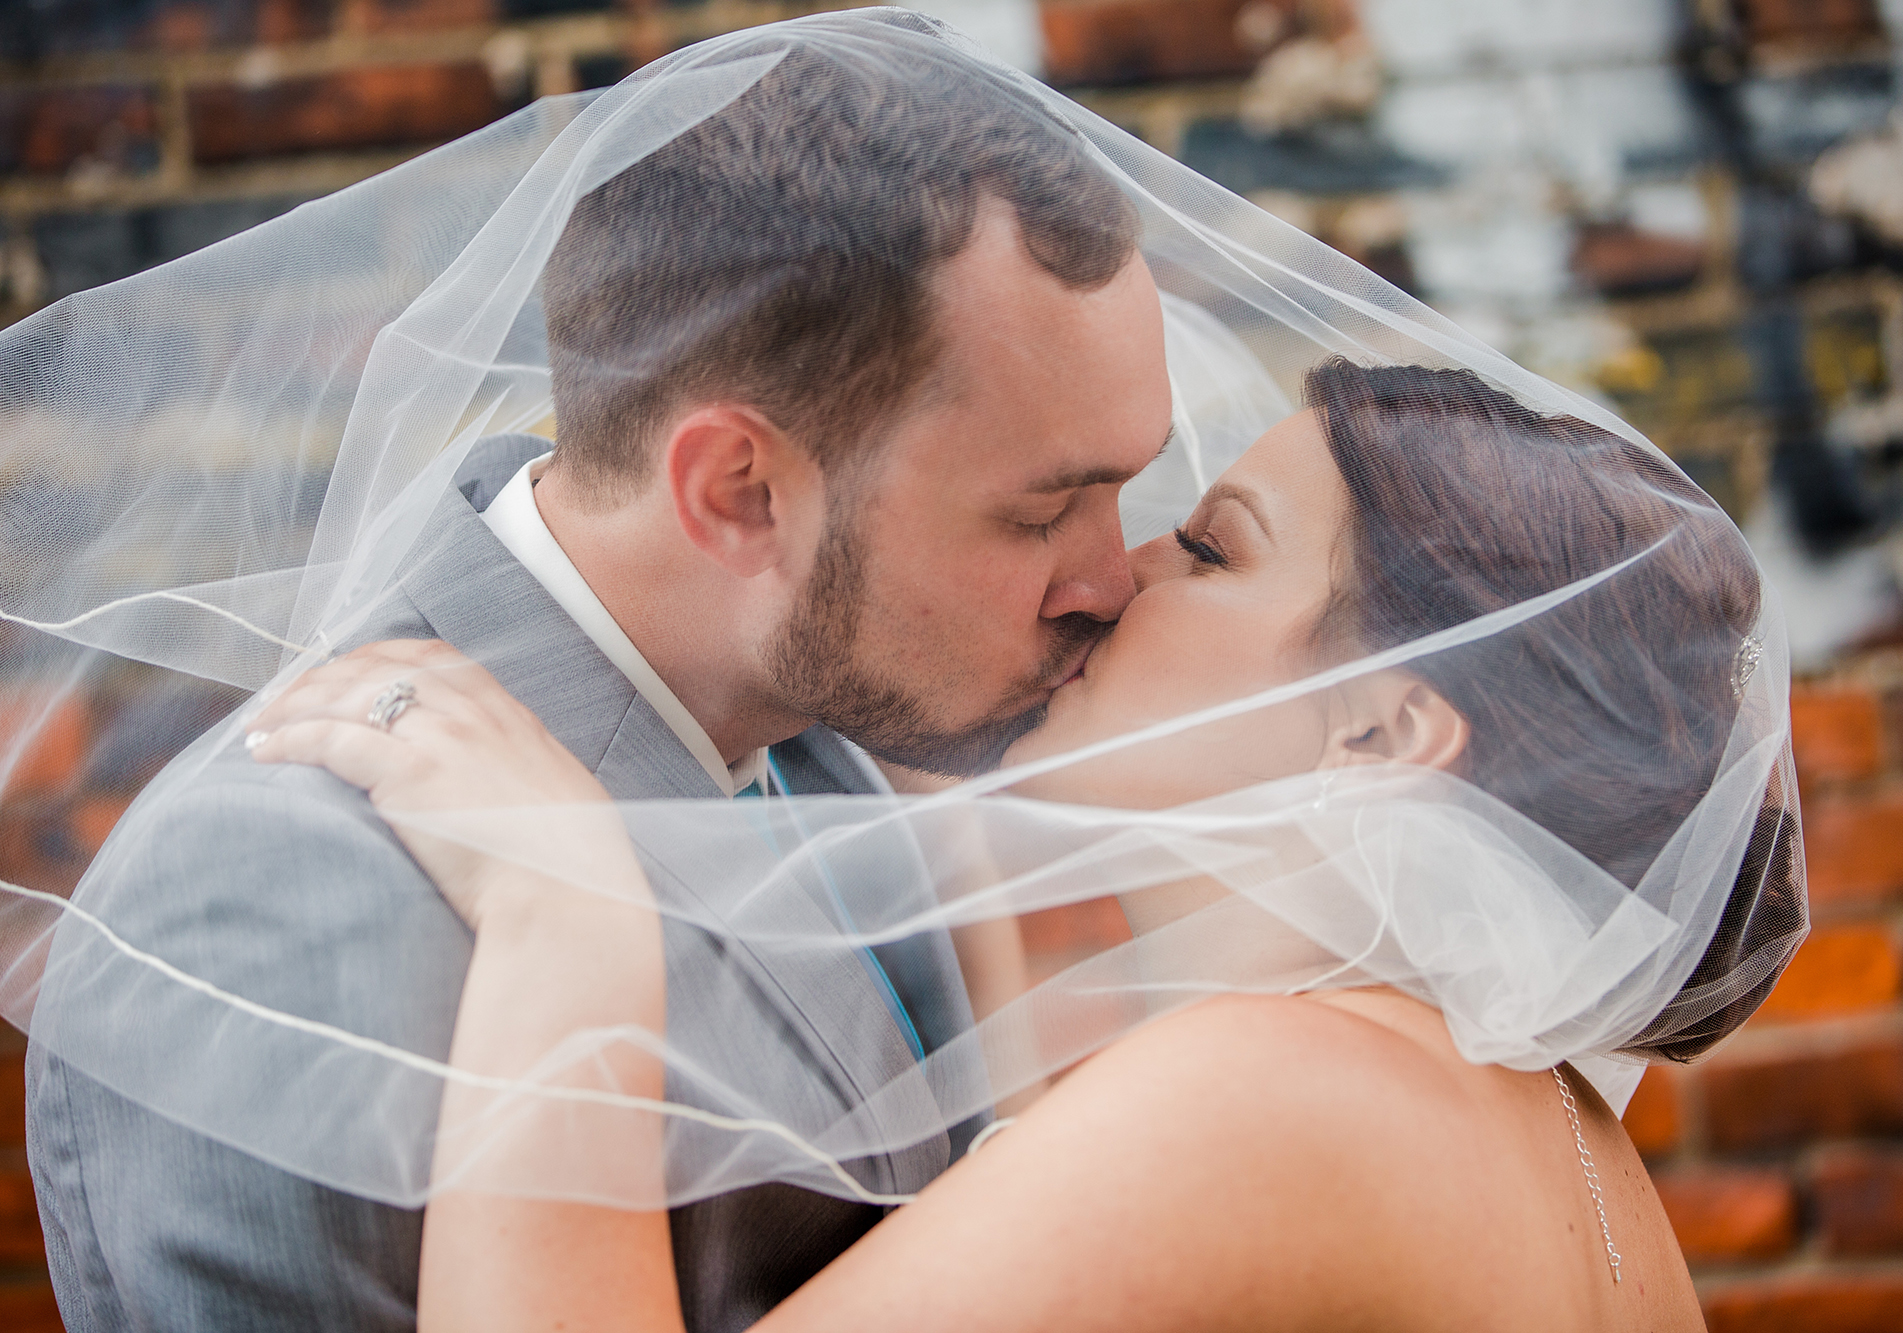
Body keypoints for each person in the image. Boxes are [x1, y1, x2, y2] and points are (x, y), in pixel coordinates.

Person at [246, 358, 1804, 1331]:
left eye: (1210, 548)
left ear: (1385, 731)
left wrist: (561, 911)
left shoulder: (1272, 1102)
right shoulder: (1523, 1124)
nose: (1122, 574)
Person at [21, 23, 1172, 1333]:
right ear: (740, 493)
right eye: (1040, 515)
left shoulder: (831, 704)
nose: (1112, 580)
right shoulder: (287, 902)